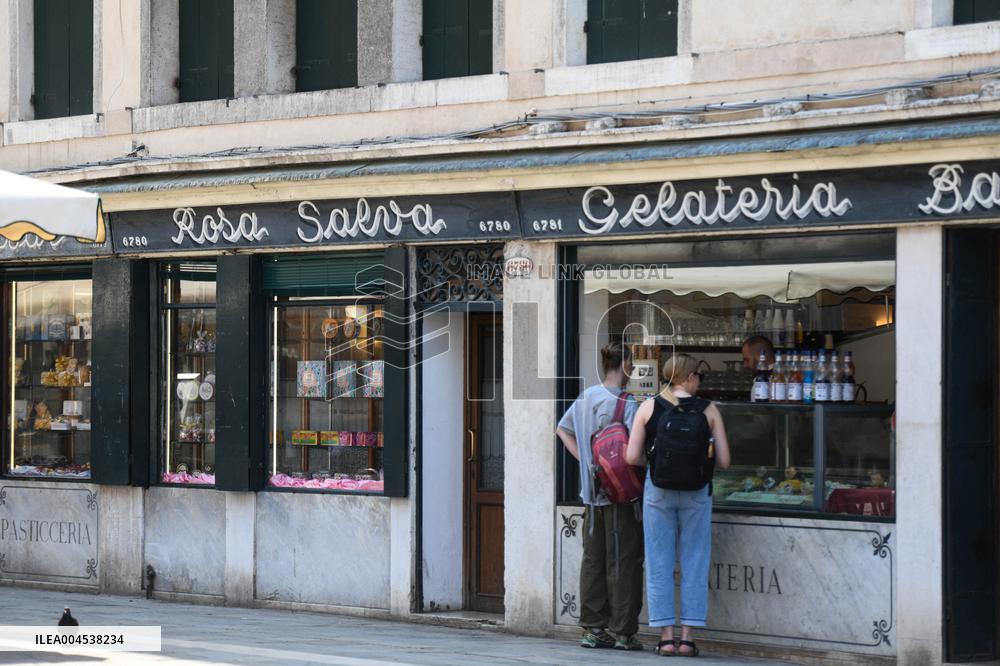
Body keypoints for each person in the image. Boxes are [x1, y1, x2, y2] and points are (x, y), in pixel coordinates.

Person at [625, 353, 731, 657]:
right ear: (691, 377)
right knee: (695, 559)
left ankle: (666, 638)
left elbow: (632, 457)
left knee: (659, 560)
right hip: (698, 492)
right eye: (698, 375)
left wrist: (657, 464)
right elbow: (724, 460)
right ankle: (687, 638)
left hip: (658, 491)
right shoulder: (709, 410)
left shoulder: (648, 407)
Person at [556, 342, 643, 651]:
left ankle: (593, 628)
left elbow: (561, 429)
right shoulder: (627, 403)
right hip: (620, 495)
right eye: (632, 362)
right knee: (623, 560)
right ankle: (623, 632)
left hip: (591, 493)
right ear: (625, 365)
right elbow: (635, 453)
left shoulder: (586, 396)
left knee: (593, 560)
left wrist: (588, 462)